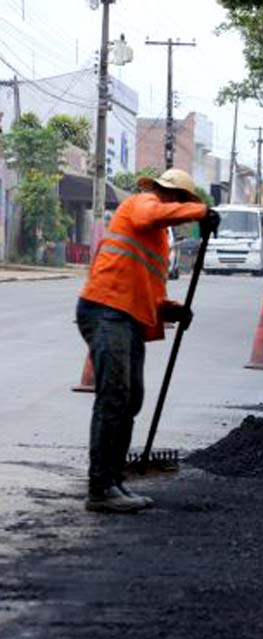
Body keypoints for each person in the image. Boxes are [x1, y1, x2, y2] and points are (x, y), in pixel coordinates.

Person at [76, 168, 219, 513]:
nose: (182, 210)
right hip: (106, 309)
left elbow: (150, 292)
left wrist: (172, 310)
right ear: (170, 196)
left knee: (131, 399)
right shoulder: (142, 204)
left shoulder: (159, 238)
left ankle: (113, 480)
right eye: (182, 202)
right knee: (115, 396)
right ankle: (100, 488)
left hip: (129, 318)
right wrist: (201, 213)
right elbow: (151, 213)